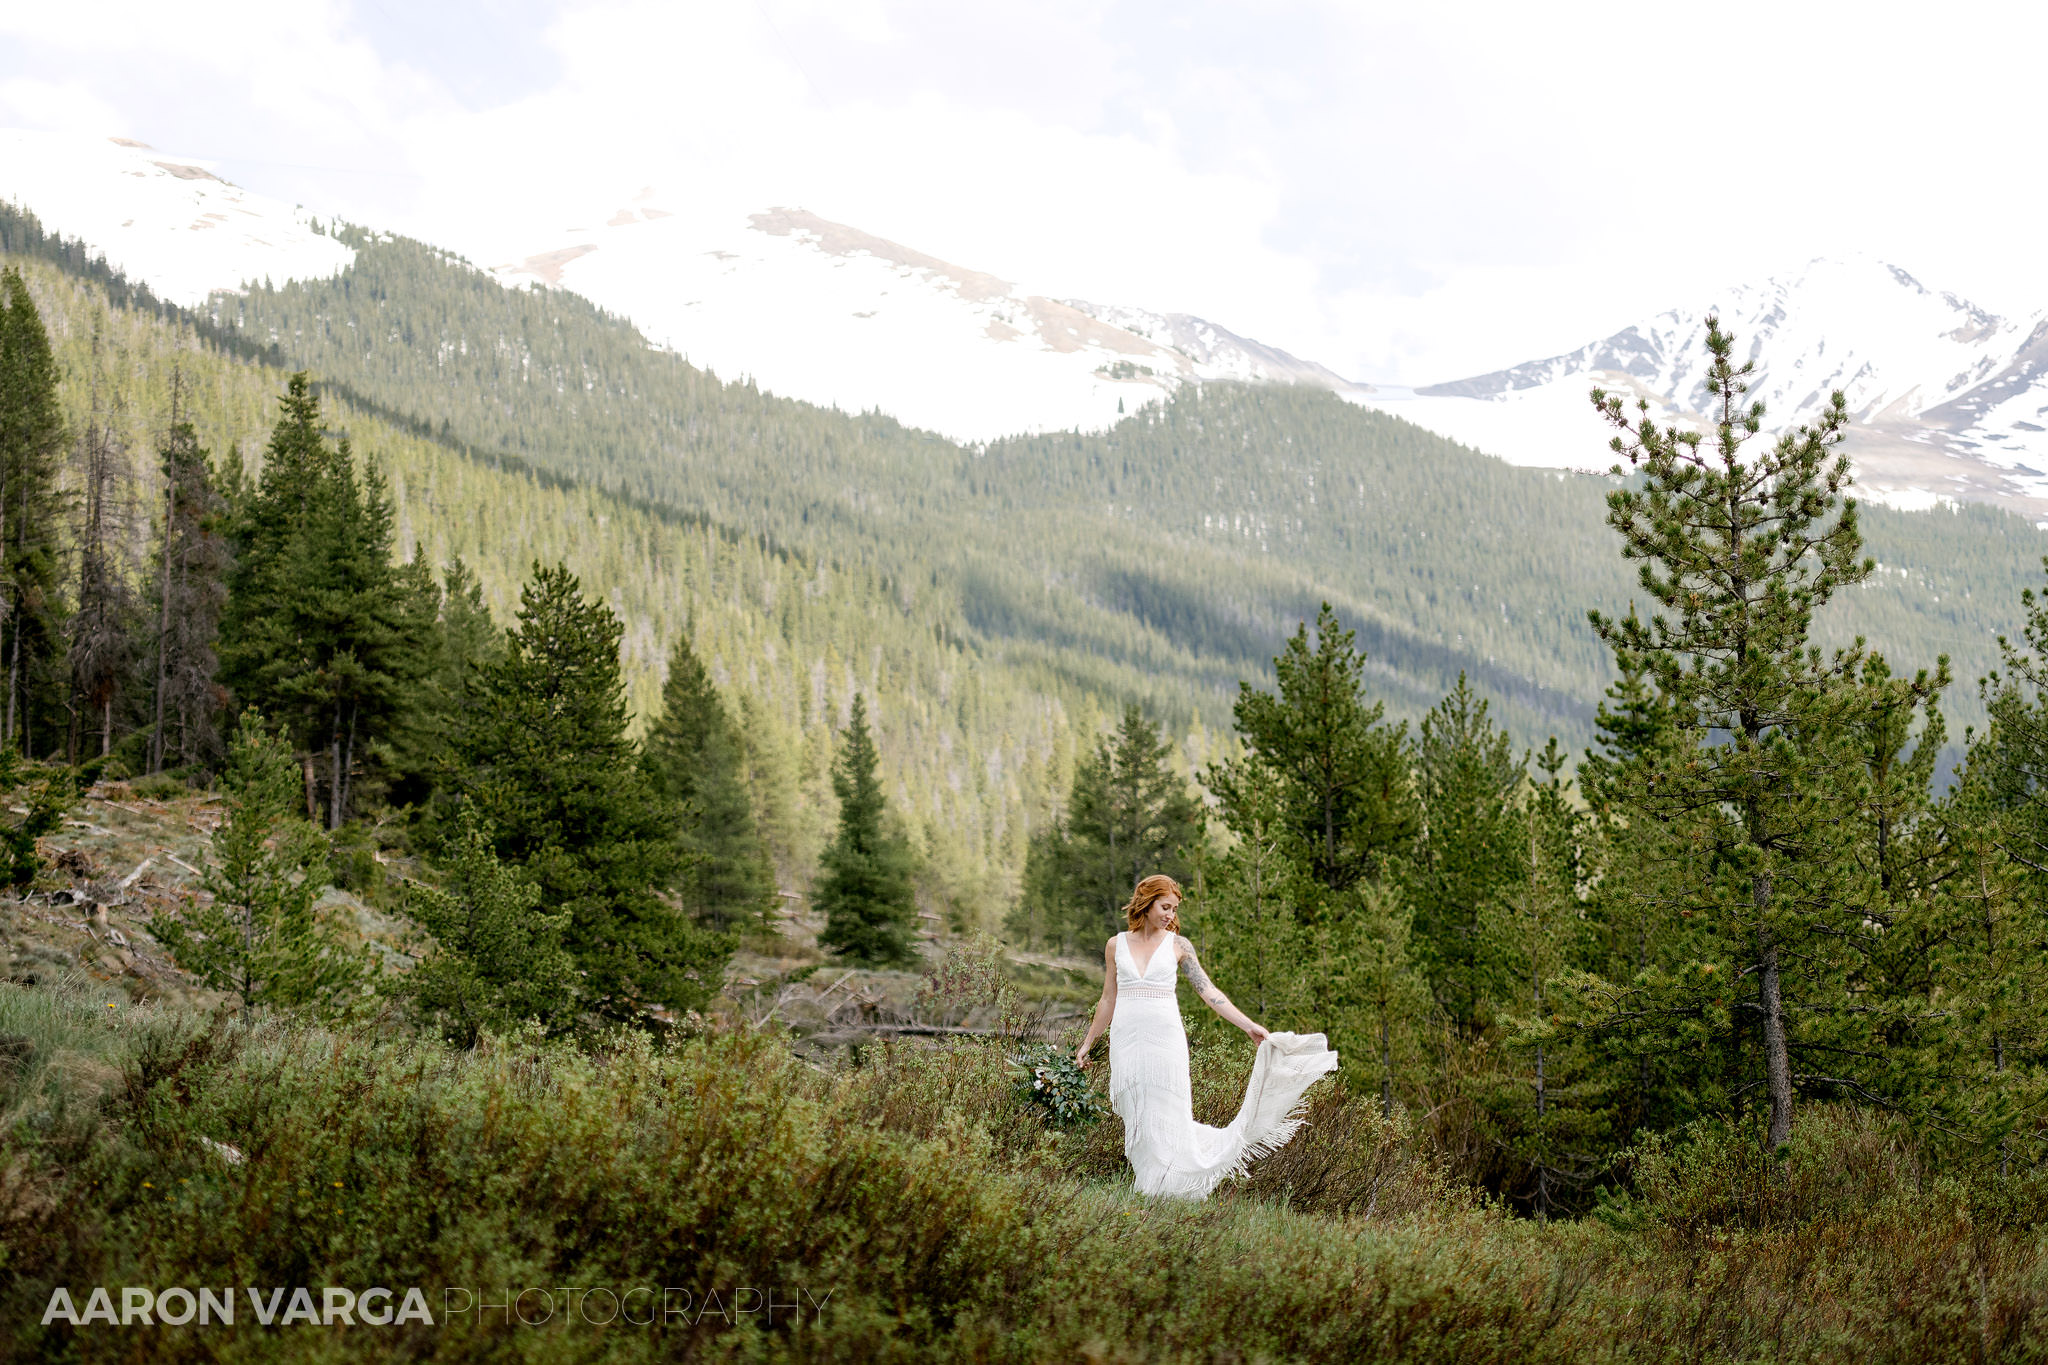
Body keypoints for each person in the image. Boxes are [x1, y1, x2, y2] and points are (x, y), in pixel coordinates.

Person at [1073, 873, 1340, 1200]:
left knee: (1169, 1117)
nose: (1170, 915)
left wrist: (1248, 1025)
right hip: (1127, 1044)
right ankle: (1152, 1188)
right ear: (1146, 903)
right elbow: (1108, 998)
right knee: (1139, 1117)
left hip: (1165, 1044)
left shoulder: (1178, 946)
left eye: (1174, 909)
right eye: (1165, 907)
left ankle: (1167, 1192)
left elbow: (1208, 992)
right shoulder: (1116, 945)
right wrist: (1088, 1042)